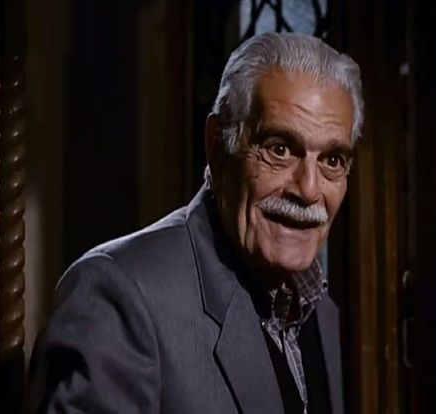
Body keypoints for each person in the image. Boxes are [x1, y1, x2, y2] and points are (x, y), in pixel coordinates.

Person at [29, 31, 364, 414]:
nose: (308, 190)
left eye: (332, 160)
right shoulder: (118, 297)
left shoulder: (320, 309)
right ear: (218, 146)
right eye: (279, 149)